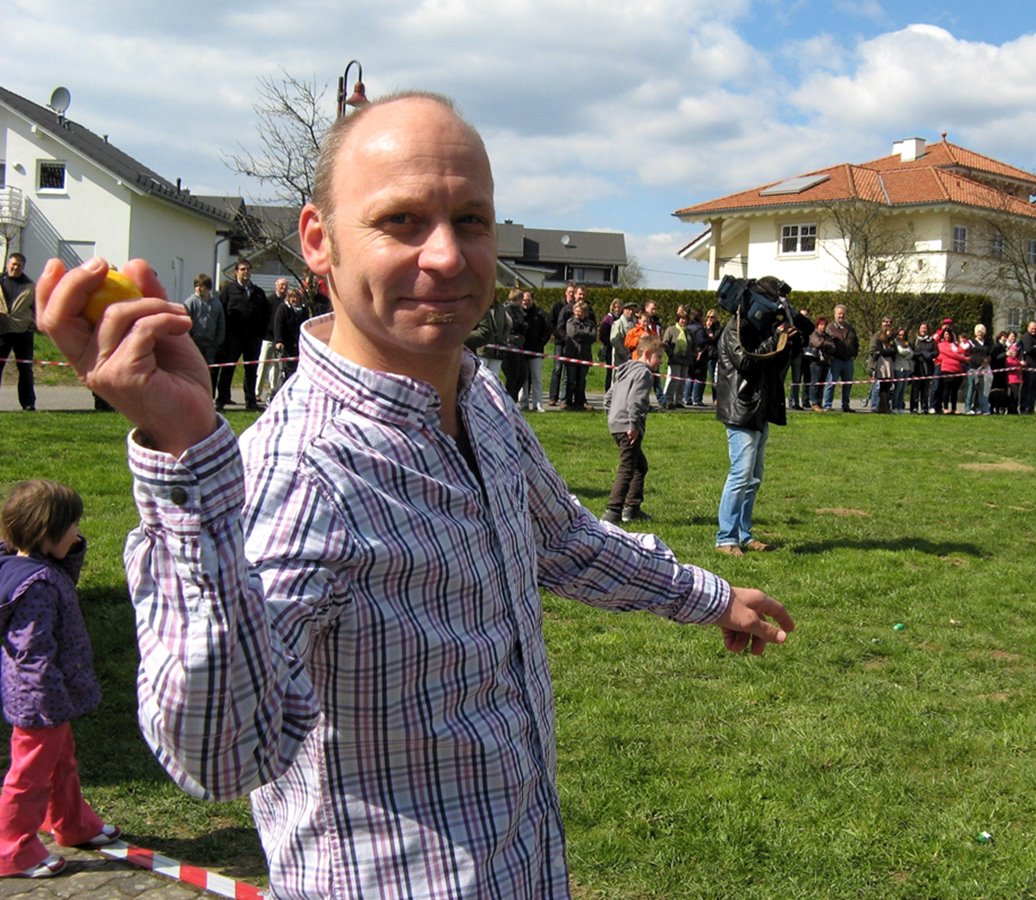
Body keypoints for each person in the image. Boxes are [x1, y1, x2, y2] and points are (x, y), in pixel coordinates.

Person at [37, 93, 794, 899]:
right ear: (319, 243)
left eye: (470, 220)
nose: (446, 255)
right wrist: (187, 461)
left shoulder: (479, 397)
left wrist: (710, 598)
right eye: (401, 220)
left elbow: (564, 539)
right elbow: (223, 755)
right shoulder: (303, 473)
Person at [0, 480, 121, 879]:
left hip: (51, 696)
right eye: (72, 526)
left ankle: (72, 823)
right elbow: (32, 652)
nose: (78, 533)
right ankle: (11, 847)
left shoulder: (32, 569)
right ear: (46, 531)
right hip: (40, 699)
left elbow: (61, 577)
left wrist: (71, 548)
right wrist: (45, 701)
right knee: (29, 776)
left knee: (60, 763)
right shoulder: (35, 586)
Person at [714, 276, 805, 556]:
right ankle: (725, 539)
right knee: (740, 475)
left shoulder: (757, 329)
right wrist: (773, 341)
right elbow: (746, 362)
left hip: (758, 409)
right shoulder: (734, 329)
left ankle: (744, 534)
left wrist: (789, 342)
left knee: (754, 477)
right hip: (741, 410)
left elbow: (775, 363)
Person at [601, 334, 662, 525]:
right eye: (659, 357)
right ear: (648, 354)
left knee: (639, 466)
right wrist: (633, 425)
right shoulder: (643, 373)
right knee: (627, 468)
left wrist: (612, 418)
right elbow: (636, 401)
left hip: (616, 424)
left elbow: (608, 397)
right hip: (629, 426)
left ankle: (632, 507)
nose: (661, 361)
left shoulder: (624, 370)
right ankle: (613, 511)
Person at [216, 259, 270, 412]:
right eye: (242, 269)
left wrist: (261, 332)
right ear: (236, 272)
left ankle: (250, 400)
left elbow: (266, 314)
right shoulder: (229, 290)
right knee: (228, 368)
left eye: (248, 269)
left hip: (253, 338)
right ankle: (222, 399)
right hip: (233, 337)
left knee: (251, 370)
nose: (246, 272)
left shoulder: (258, 292)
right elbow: (222, 312)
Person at [0, 253, 38, 411]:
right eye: (13, 264)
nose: (15, 267)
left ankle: (28, 403)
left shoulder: (30, 286)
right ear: (8, 264)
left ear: (23, 267)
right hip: (1, 331)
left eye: (19, 265)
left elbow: (37, 310)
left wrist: (35, 324)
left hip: (23, 333)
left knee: (25, 370)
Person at [182, 273, 225, 398]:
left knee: (210, 373)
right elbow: (185, 323)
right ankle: (193, 397)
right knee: (194, 372)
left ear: (208, 288)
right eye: (196, 286)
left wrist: (218, 342)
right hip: (194, 343)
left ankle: (208, 398)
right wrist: (188, 342)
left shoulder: (216, 304)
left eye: (201, 286)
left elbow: (221, 324)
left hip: (211, 344)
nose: (198, 288)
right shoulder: (190, 302)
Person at [255, 277, 289, 404]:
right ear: (276, 286)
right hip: (268, 338)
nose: (283, 288)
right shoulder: (269, 300)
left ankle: (274, 391)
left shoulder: (286, 302)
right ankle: (257, 392)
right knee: (263, 365)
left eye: (285, 285)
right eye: (281, 285)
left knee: (276, 367)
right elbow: (263, 318)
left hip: (280, 339)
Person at [464, 290, 510, 376]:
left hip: (497, 350)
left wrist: (503, 337)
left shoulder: (500, 308)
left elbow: (506, 325)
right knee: (480, 375)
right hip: (482, 350)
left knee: (493, 376)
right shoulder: (481, 306)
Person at [518, 290, 551, 412]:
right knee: (523, 378)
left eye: (528, 300)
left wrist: (541, 343)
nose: (526, 302)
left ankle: (538, 404)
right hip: (521, 351)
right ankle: (523, 402)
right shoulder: (518, 313)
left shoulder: (540, 313)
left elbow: (547, 330)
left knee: (536, 378)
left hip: (536, 351)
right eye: (524, 300)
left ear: (532, 300)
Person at [823, 303, 858, 412]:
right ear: (835, 315)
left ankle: (846, 405)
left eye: (843, 314)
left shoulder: (850, 328)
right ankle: (827, 405)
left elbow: (856, 342)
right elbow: (826, 343)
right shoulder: (830, 328)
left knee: (848, 384)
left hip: (848, 360)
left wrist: (854, 354)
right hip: (836, 360)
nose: (841, 316)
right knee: (831, 383)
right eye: (839, 314)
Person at [272, 287, 309, 385]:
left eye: (296, 297)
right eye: (292, 297)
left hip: (298, 344)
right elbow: (278, 325)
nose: (295, 299)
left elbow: (306, 325)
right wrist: (279, 341)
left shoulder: (303, 310)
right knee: (286, 369)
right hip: (286, 344)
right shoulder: (283, 308)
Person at [546, 283, 573, 406]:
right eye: (569, 292)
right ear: (566, 293)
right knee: (557, 369)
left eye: (573, 292)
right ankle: (553, 397)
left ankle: (564, 398)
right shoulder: (557, 306)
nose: (571, 294)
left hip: (571, 344)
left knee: (567, 372)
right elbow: (551, 323)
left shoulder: (576, 307)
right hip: (559, 342)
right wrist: (560, 335)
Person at [500, 287, 529, 404]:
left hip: (519, 346)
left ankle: (512, 399)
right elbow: (512, 326)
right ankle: (509, 401)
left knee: (522, 375)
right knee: (513, 375)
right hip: (510, 346)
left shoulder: (519, 310)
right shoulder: (507, 310)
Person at [663, 307, 692, 409]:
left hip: (686, 360)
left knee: (682, 381)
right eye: (681, 318)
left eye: (685, 319)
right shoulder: (671, 330)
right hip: (675, 359)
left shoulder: (689, 332)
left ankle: (679, 400)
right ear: (678, 319)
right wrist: (671, 354)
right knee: (674, 380)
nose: (683, 321)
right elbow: (665, 343)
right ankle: (669, 400)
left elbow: (692, 344)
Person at [867, 317, 896, 413]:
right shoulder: (877, 336)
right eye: (886, 322)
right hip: (878, 364)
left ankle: (884, 406)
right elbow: (875, 350)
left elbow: (894, 352)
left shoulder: (892, 339)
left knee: (887, 387)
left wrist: (888, 352)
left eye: (890, 322)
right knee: (877, 386)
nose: (888, 323)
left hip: (889, 365)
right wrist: (885, 352)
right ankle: (875, 406)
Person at [910, 321, 937, 414]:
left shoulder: (931, 340)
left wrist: (929, 355)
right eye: (922, 328)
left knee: (925, 389)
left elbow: (936, 352)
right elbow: (911, 352)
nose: (924, 330)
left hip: (928, 368)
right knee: (915, 389)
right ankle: (914, 407)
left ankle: (925, 407)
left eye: (925, 328)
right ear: (919, 329)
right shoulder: (915, 340)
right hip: (916, 367)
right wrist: (919, 354)